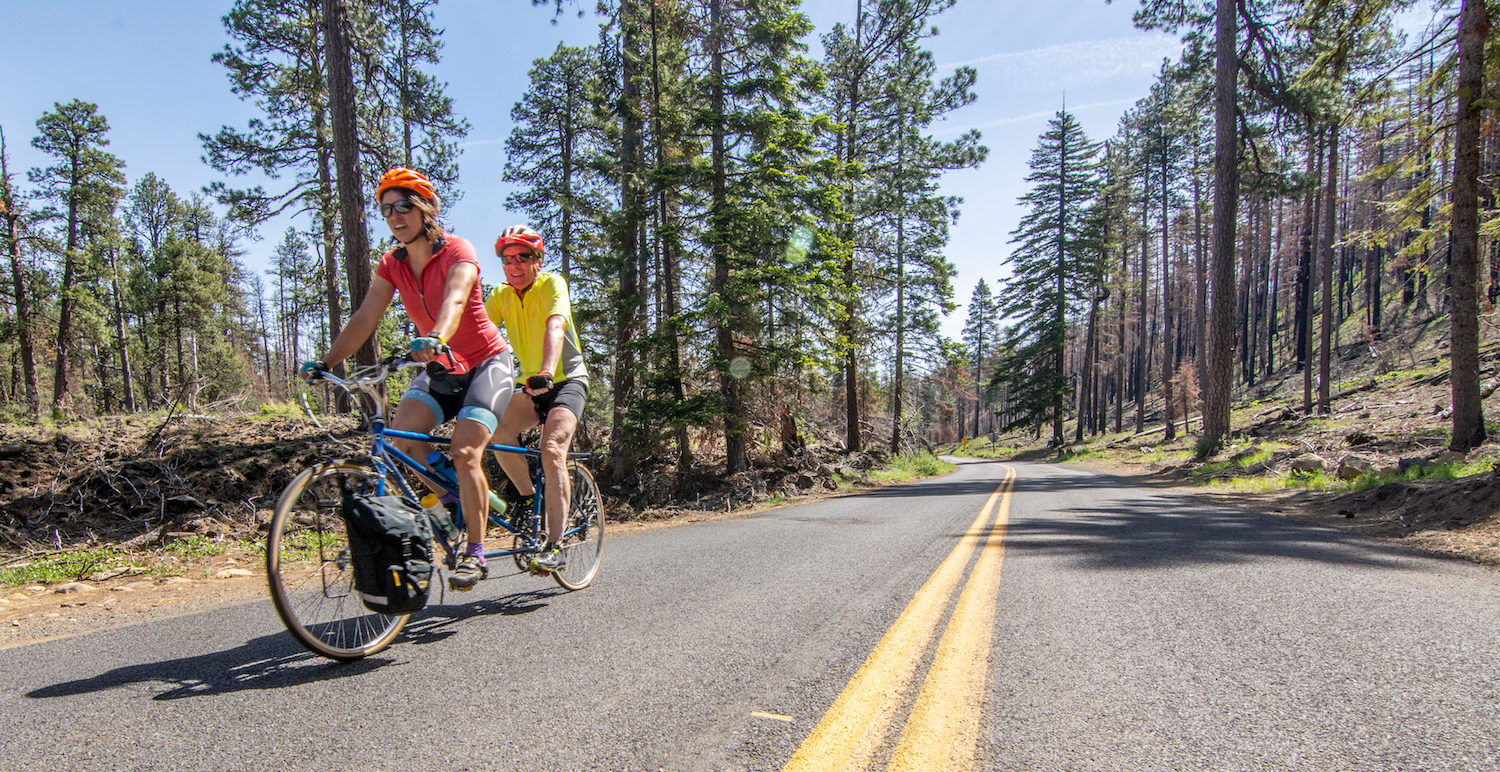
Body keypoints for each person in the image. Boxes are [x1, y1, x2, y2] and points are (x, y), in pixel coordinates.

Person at [301, 167, 514, 591]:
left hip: (486, 363)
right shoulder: (392, 264)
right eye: (386, 210)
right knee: (401, 444)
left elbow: (455, 298)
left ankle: (474, 553)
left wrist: (436, 336)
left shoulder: (457, 249)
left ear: (426, 209)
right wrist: (327, 363)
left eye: (404, 206)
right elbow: (365, 317)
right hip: (440, 369)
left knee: (466, 450)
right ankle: (457, 496)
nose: (395, 216)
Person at [484, 225, 589, 573]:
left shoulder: (551, 284)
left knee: (552, 448)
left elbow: (555, 326)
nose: (514, 265)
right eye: (507, 259)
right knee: (497, 430)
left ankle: (556, 545)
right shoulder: (500, 295)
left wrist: (546, 369)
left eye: (522, 257)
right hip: (531, 386)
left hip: (565, 381)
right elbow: (479, 332)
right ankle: (529, 498)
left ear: (537, 260)